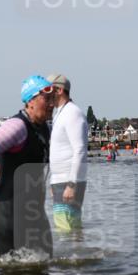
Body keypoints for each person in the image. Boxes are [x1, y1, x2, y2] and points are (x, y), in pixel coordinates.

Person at [0, 75, 54, 257]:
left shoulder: (44, 127)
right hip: (9, 212)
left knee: (46, 268)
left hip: (34, 213)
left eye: (53, 99)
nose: (52, 104)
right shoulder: (17, 126)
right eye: (47, 99)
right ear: (30, 101)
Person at [46, 74, 88, 233]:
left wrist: (72, 183)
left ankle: (76, 256)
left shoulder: (72, 113)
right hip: (60, 180)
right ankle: (79, 255)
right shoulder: (60, 113)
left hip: (68, 180)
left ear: (59, 90)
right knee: (69, 226)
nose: (44, 95)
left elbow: (80, 149)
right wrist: (52, 180)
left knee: (66, 227)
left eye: (48, 90)